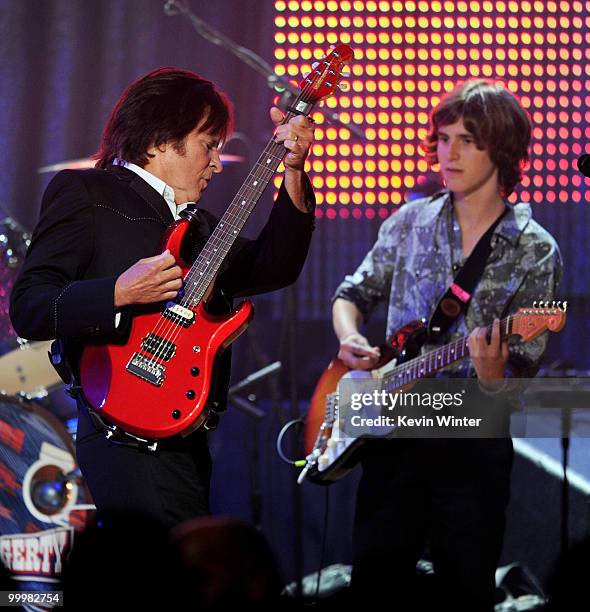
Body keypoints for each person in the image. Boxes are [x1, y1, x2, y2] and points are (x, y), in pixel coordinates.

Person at [10, 67, 316, 528]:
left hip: (187, 427)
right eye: (208, 145)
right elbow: (29, 307)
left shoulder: (204, 228)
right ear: (158, 141)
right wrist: (117, 292)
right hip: (120, 425)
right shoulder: (88, 193)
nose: (216, 163)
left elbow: (277, 266)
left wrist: (293, 172)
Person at [332, 79, 562, 610]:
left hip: (472, 445)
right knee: (376, 583)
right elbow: (351, 295)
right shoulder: (409, 222)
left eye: (467, 140)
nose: (448, 152)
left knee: (464, 590)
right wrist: (351, 340)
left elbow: (516, 379)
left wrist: (492, 375)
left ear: (501, 150)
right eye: (442, 137)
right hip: (394, 437)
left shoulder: (535, 249)